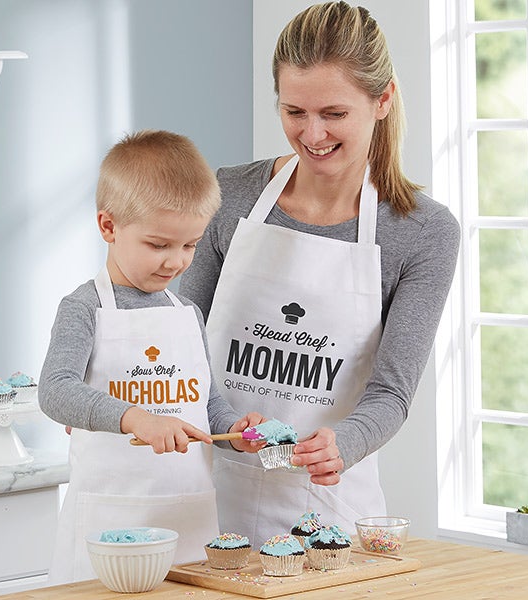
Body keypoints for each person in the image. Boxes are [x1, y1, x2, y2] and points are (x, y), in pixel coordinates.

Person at [179, 1, 460, 548]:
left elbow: (392, 392)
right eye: (294, 112)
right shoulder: (231, 195)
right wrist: (223, 424)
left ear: (382, 101)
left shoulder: (423, 231)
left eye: (334, 114)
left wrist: (344, 443)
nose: (312, 134)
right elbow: (183, 336)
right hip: (206, 491)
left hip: (326, 504)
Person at [39, 130, 264, 584]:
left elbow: (208, 404)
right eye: (158, 245)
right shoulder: (85, 308)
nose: (176, 262)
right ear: (109, 226)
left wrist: (234, 431)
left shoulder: (188, 314)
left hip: (189, 524)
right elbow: (55, 392)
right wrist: (137, 419)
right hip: (109, 526)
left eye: (190, 245)